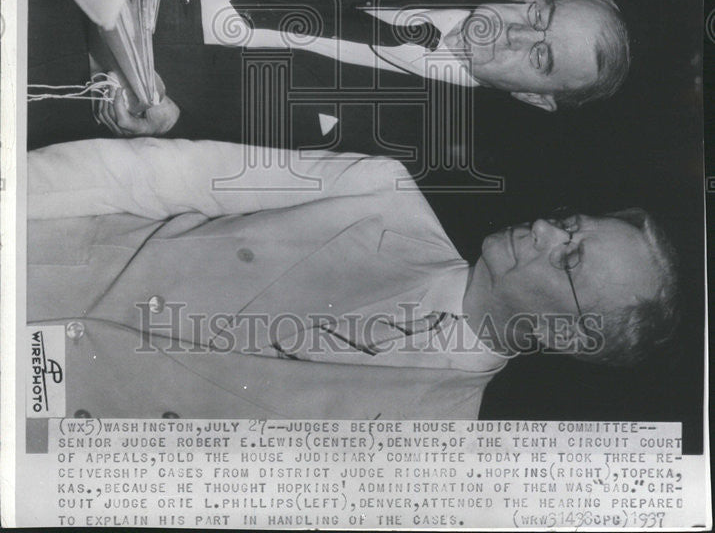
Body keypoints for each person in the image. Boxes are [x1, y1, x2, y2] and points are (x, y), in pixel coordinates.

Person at [27, 137, 679, 419]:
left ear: (568, 336)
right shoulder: (380, 189)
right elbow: (147, 174)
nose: (542, 227)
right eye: (567, 223)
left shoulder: (431, 450)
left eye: (568, 257)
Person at [98, 0, 630, 144]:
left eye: (540, 56)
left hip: (101, 88)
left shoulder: (401, 153)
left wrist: (167, 126)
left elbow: (225, 161)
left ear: (535, 98)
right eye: (539, 12)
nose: (514, 31)